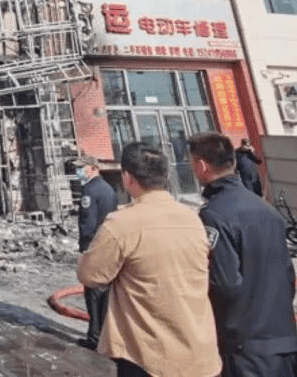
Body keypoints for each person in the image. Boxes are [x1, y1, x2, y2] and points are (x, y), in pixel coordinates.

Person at [77, 142, 220, 377]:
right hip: (199, 352)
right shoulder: (192, 219)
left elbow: (90, 275)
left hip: (148, 357)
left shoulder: (122, 224)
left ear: (127, 178)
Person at [188, 133, 297, 377]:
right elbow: (288, 276)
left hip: (245, 346)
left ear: (202, 166)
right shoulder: (266, 210)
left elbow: (225, 283)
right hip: (284, 341)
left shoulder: (215, 214)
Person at [74, 156, 117, 351]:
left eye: (81, 168)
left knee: (92, 292)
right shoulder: (109, 189)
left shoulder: (90, 190)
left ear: (92, 168)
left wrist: (84, 248)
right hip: (109, 244)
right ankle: (106, 336)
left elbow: (87, 222)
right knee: (105, 293)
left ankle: (94, 337)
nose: (78, 172)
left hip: (94, 245)